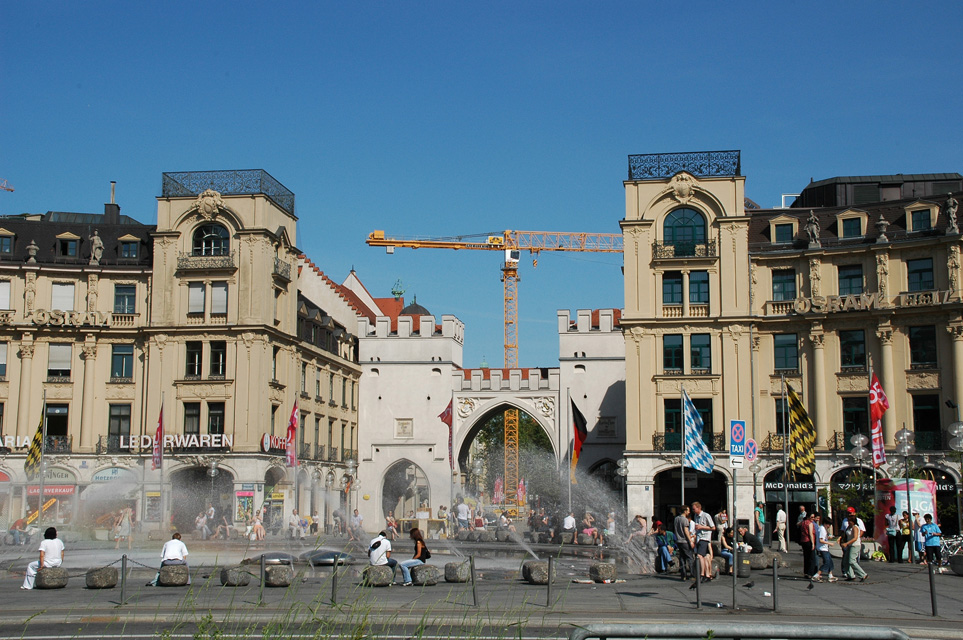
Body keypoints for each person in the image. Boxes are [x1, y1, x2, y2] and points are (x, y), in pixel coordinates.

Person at [691, 502, 715, 583]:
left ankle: (702, 574)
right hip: (699, 537)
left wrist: (701, 527)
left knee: (699, 556)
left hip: (704, 537)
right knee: (704, 557)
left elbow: (713, 527)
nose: (693, 511)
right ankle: (707, 575)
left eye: (694, 509)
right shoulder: (695, 516)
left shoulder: (706, 515)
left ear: (699, 508)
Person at [839, 512, 868, 582]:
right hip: (850, 545)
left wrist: (846, 543)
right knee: (846, 561)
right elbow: (845, 534)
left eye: (850, 521)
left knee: (852, 561)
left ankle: (863, 574)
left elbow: (855, 538)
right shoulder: (849, 527)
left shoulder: (855, 527)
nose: (848, 522)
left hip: (855, 545)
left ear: (853, 522)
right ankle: (850, 575)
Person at [812, 514, 837, 583]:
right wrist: (830, 543)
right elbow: (821, 540)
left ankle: (830, 575)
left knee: (830, 562)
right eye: (828, 524)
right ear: (825, 523)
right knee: (826, 562)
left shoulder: (823, 529)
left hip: (824, 548)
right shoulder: (822, 529)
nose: (829, 526)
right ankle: (817, 575)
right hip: (822, 548)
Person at [673, 506, 694, 581]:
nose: (689, 512)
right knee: (690, 557)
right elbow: (686, 531)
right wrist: (690, 541)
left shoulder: (676, 519)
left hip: (678, 540)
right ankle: (692, 574)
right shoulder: (685, 520)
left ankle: (683, 574)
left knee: (682, 558)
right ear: (685, 511)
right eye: (688, 510)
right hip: (684, 541)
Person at [799, 511, 817, 578]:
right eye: (811, 517)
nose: (812, 518)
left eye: (813, 517)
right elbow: (811, 534)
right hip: (808, 540)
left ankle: (806, 572)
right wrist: (813, 543)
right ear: (808, 517)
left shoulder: (803, 523)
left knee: (806, 557)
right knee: (811, 558)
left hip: (803, 541)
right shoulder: (810, 524)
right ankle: (810, 573)